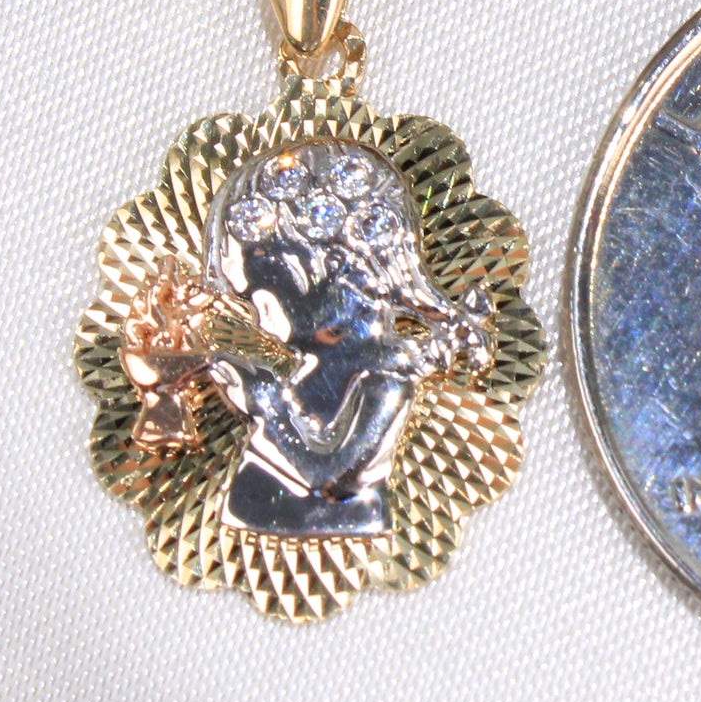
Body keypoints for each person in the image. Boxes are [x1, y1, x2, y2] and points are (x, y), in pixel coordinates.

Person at [204, 139, 492, 538]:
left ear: (339, 277)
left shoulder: (385, 381)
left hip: (329, 522)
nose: (256, 315)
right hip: (254, 520)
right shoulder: (305, 370)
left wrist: (268, 406)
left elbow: (330, 478)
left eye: (264, 293)